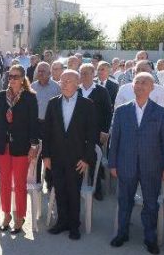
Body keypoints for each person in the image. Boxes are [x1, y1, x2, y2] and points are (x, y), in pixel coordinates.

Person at [108, 72, 164, 254]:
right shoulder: (121, 111)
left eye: (145, 83)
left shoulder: (160, 112)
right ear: (132, 86)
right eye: (137, 82)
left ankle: (150, 237)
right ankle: (122, 233)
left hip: (152, 166)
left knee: (151, 203)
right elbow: (115, 139)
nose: (141, 85)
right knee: (124, 200)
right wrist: (112, 163)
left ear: (152, 88)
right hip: (125, 164)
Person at [42, 70, 97, 240]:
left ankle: (74, 225)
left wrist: (87, 159)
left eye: (68, 81)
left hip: (77, 158)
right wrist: (46, 156)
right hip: (56, 157)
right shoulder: (53, 103)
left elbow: (92, 134)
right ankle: (62, 222)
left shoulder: (87, 104)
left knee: (73, 191)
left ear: (77, 82)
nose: (64, 84)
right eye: (62, 81)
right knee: (59, 189)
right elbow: (47, 132)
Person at [0, 65, 39, 234]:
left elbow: (34, 124)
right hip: (2, 144)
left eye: (16, 76)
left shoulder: (30, 98)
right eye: (10, 76)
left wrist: (33, 145)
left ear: (23, 78)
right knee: (4, 182)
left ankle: (20, 216)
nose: (12, 79)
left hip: (21, 146)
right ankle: (6, 214)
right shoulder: (1, 96)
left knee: (19, 183)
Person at [78, 63, 113, 200]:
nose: (84, 76)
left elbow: (108, 112)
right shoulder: (76, 90)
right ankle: (79, 186)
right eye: (82, 73)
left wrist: (105, 131)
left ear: (93, 74)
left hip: (96, 132)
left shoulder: (101, 91)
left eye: (87, 73)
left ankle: (96, 188)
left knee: (94, 160)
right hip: (78, 133)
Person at [31, 62, 61, 190]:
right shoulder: (32, 86)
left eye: (43, 71)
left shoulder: (56, 88)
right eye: (39, 71)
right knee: (35, 153)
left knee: (49, 154)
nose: (40, 73)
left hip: (51, 125)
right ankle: (36, 181)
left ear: (49, 73)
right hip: (36, 124)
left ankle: (50, 182)